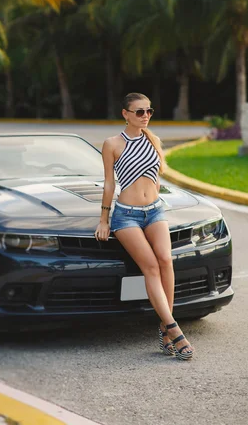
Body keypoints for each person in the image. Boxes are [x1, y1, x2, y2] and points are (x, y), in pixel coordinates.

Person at [95, 92, 194, 360]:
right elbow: (109, 183)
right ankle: (175, 330)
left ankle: (164, 329)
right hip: (126, 215)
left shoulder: (153, 140)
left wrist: (154, 198)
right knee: (150, 266)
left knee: (165, 260)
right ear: (125, 114)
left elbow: (156, 178)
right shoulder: (112, 144)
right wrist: (104, 219)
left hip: (154, 211)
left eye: (149, 111)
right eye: (139, 112)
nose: (145, 116)